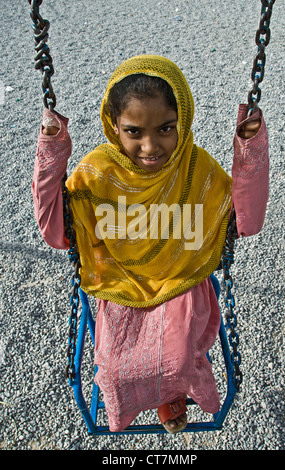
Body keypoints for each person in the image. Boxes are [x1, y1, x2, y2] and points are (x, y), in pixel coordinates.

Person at [32, 55, 269, 433]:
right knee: (113, 369)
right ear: (114, 126)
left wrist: (250, 149)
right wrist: (51, 152)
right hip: (121, 281)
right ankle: (137, 406)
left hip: (181, 277)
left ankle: (172, 396)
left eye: (165, 128)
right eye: (133, 132)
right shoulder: (97, 175)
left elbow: (247, 220)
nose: (150, 147)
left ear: (183, 121)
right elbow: (55, 232)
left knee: (175, 359)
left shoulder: (196, 169)